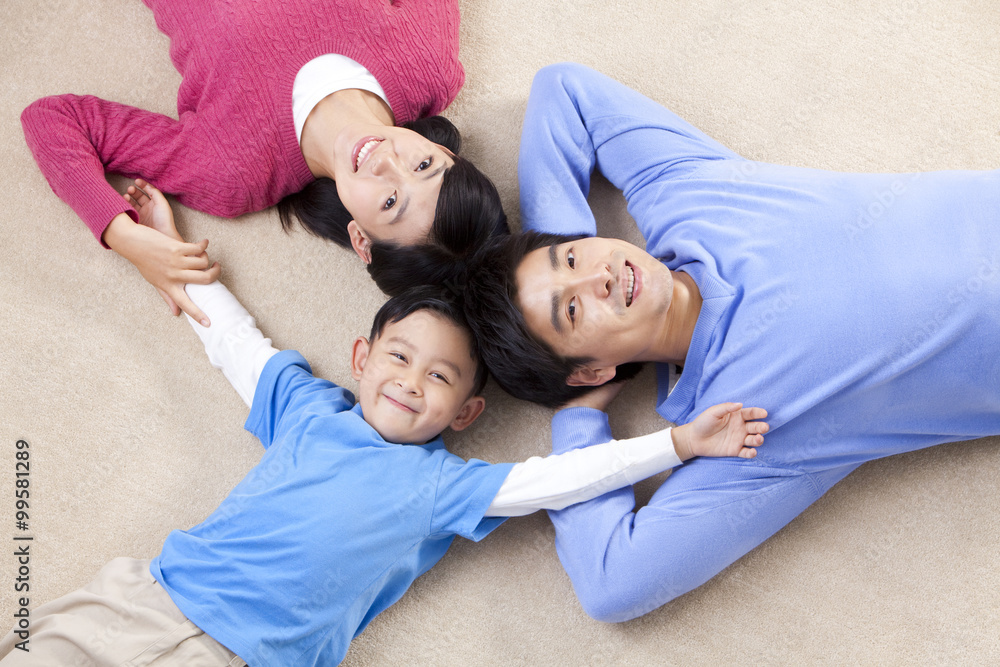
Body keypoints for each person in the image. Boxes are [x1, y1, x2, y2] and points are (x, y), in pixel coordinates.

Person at [0, 183, 768, 666]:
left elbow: (552, 481)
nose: (410, 382)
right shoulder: (306, 410)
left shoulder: (443, 486)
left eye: (439, 378)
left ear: (467, 413)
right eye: (399, 358)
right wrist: (167, 249)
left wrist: (678, 441)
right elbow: (235, 345)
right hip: (153, 595)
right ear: (362, 358)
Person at [463, 63, 1000, 622]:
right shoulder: (741, 432)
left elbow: (563, 90)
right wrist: (578, 415)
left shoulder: (689, 195)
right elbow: (611, 584)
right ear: (592, 370)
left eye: (572, 257)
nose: (596, 277)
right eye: (571, 310)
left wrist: (557, 243)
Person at [20, 0, 507, 328]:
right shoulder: (426, 64)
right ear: (444, 152)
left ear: (361, 238)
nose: (387, 162)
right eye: (423, 165)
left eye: (391, 201)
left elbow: (54, 120)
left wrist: (123, 236)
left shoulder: (234, 171)